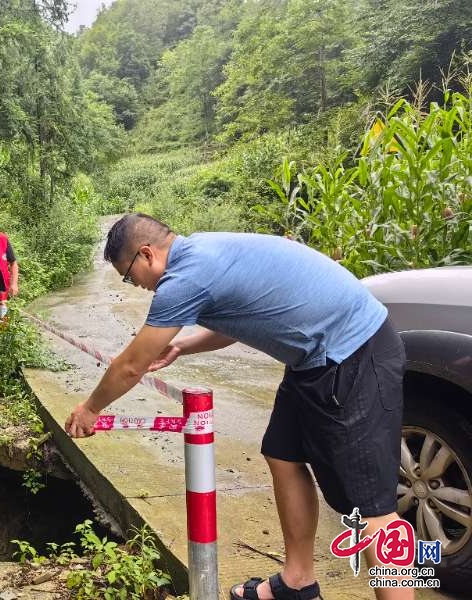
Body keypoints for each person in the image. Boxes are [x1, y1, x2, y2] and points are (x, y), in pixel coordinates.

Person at [65, 213, 411, 600]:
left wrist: (90, 409)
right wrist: (183, 345)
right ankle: (298, 581)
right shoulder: (203, 250)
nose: (137, 286)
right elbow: (243, 316)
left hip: (354, 352)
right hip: (313, 359)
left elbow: (130, 365)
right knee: (282, 454)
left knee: (372, 510)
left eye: (130, 276)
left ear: (147, 254)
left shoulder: (183, 279)